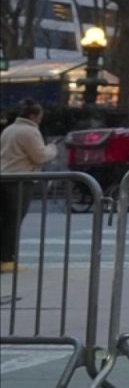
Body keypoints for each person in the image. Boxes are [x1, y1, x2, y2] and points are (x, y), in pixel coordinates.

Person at [1, 100, 59, 273]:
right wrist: (52, 148)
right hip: (21, 179)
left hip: (4, 176)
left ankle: (3, 257)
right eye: (40, 115)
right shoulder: (29, 131)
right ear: (33, 116)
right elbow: (40, 156)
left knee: (4, 220)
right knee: (14, 220)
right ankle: (7, 259)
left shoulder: (9, 129)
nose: (41, 119)